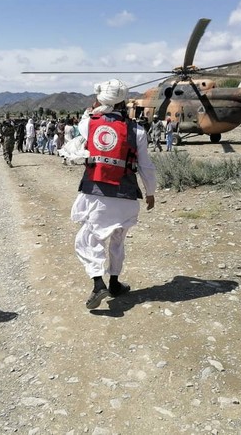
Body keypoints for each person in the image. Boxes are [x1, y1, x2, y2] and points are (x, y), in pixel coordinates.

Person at [71, 79, 156, 310]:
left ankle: (99, 284)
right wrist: (150, 192)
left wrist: (93, 108)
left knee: (89, 239)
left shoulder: (89, 123)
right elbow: (146, 166)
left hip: (96, 193)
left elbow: (83, 122)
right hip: (126, 194)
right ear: (124, 102)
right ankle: (115, 284)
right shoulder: (137, 130)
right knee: (118, 240)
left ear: (101, 101)